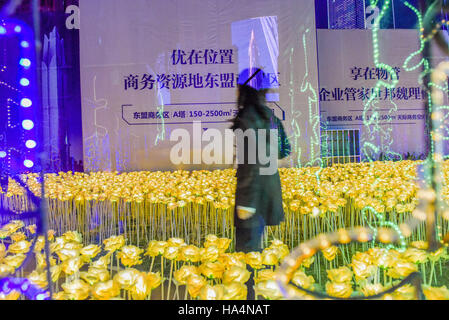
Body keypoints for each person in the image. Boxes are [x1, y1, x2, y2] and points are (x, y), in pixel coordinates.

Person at [231, 68, 291, 299]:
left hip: (251, 197)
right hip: (268, 192)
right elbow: (285, 150)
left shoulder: (246, 119)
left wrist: (245, 202)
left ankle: (250, 300)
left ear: (243, 89)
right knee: (257, 253)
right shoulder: (271, 117)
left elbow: (250, 165)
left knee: (247, 258)